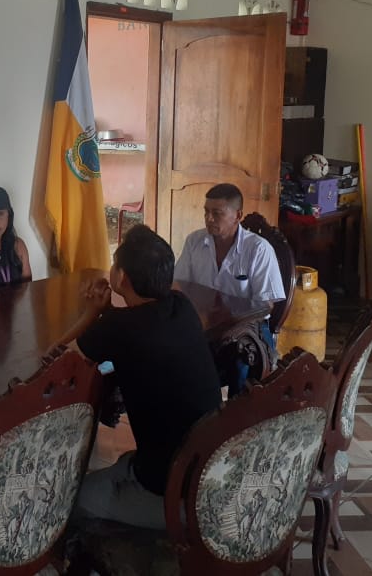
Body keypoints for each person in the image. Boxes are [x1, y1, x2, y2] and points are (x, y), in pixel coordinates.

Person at [58, 225, 222, 529]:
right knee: (119, 469)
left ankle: (128, 548)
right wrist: (106, 312)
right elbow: (133, 328)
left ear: (121, 277)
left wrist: (92, 313)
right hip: (208, 469)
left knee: (70, 503)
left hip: (177, 497)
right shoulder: (181, 305)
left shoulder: (120, 329)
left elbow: (56, 362)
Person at [172, 182, 285, 391]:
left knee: (241, 361)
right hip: (204, 323)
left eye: (217, 213)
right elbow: (179, 284)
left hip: (247, 327)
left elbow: (266, 305)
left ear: (237, 215)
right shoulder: (195, 241)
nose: (209, 218)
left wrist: (229, 323)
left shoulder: (258, 249)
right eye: (206, 212)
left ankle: (237, 409)